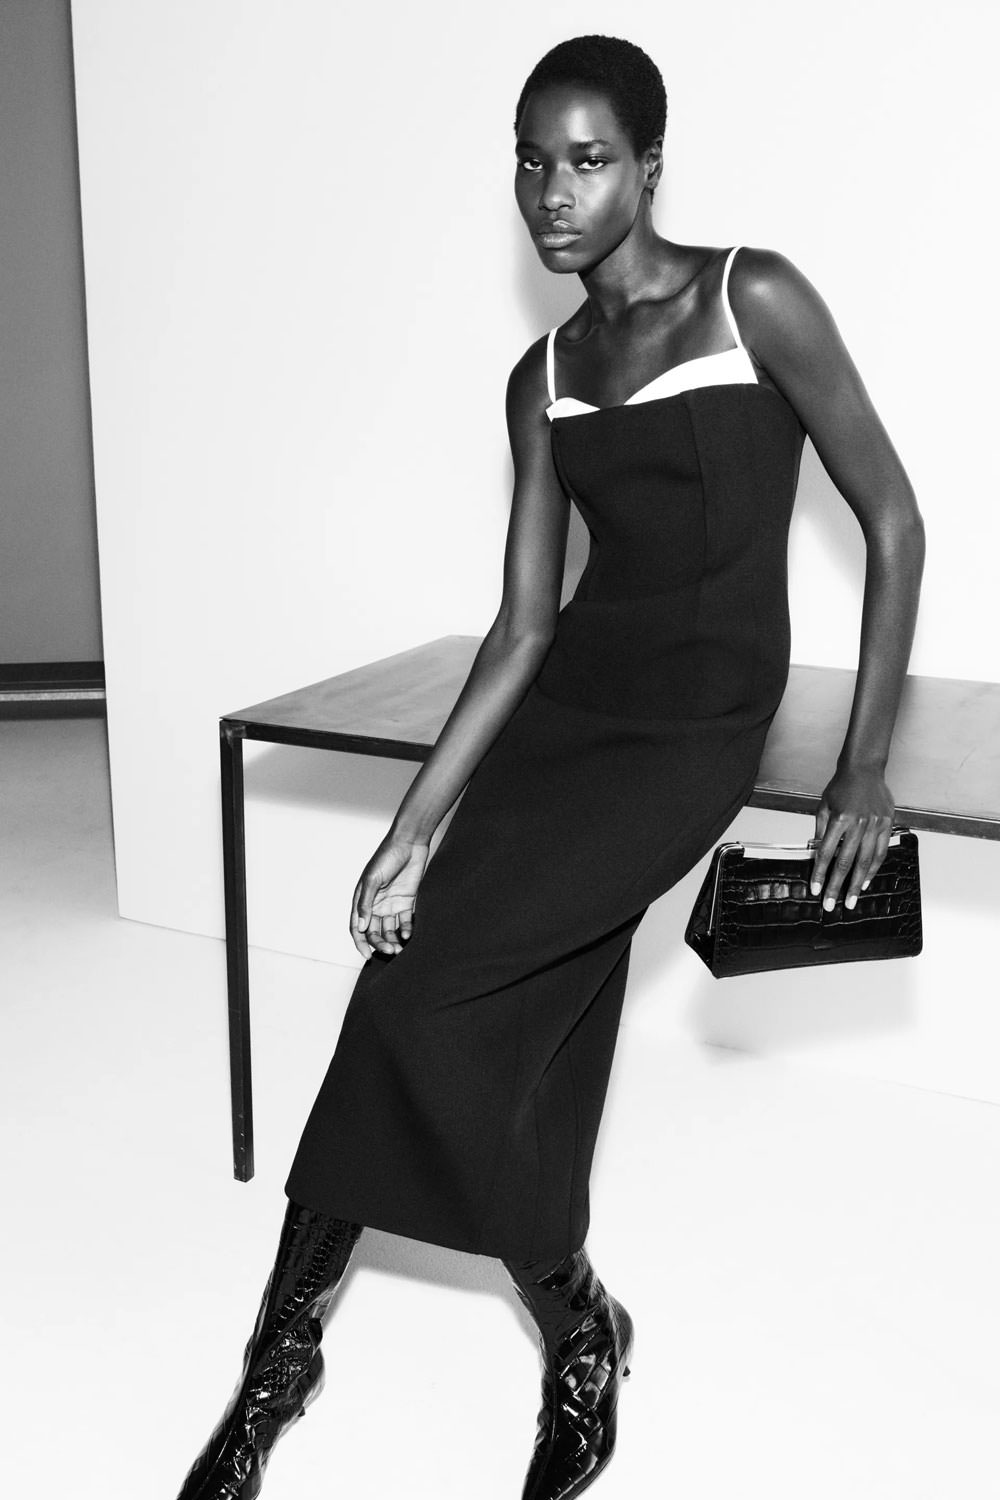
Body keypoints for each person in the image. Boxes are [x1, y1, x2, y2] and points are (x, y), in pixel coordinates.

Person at [175, 32, 925, 1500]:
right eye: (532, 162)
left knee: (426, 1002)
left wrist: (864, 765)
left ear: (651, 165)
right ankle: (479, 1344)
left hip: (697, 731)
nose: (553, 193)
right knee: (466, 1014)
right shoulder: (544, 375)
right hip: (571, 710)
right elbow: (525, 626)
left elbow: (894, 518)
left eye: (587, 160)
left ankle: (375, 1354)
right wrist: (413, 827)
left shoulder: (754, 296)